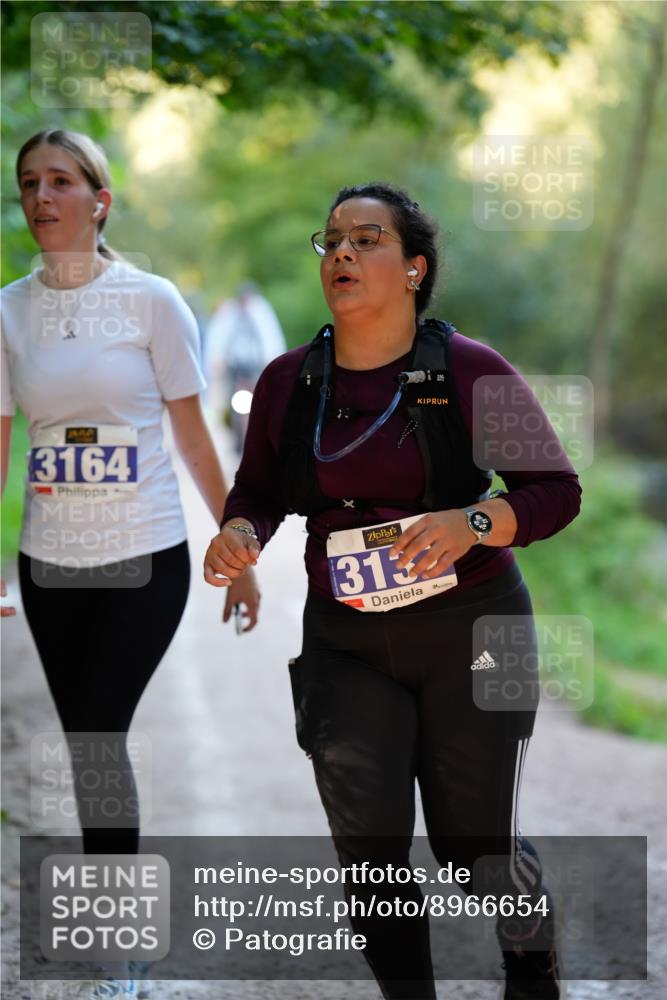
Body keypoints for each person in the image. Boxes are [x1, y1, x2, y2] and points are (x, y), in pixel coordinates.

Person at [204, 182, 581, 1000]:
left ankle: (530, 963)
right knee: (369, 857)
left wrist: (471, 524)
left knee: (474, 849)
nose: (341, 252)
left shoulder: (471, 370)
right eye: (331, 239)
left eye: (366, 239)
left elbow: (554, 490)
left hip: (475, 628)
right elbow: (260, 492)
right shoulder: (285, 383)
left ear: (413, 268)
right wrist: (242, 533)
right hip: (346, 642)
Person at [0, 129, 259, 996]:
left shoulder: (152, 302)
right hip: (50, 564)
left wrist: (240, 544)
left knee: (101, 737)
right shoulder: (7, 309)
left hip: (144, 557)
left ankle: (120, 945)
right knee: (86, 747)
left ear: (100, 199)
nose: (42, 197)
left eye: (62, 181)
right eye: (30, 182)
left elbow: (193, 437)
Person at [204, 281, 286, 451]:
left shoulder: (261, 311)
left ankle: (258, 437)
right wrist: (217, 359)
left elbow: (270, 338)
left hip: (256, 365)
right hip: (236, 366)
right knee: (234, 401)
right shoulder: (230, 312)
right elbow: (219, 336)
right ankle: (238, 438)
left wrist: (272, 363)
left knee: (260, 401)